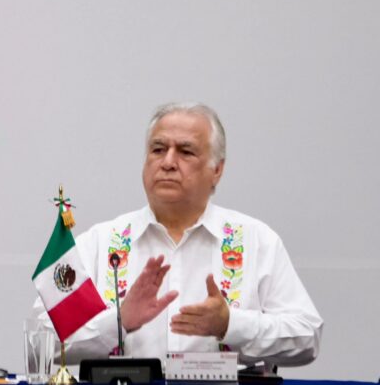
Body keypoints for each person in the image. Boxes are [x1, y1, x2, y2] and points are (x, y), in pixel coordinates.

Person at [34, 103, 321, 368]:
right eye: (158, 149)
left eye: (186, 151)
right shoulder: (100, 242)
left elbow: (308, 337)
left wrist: (230, 324)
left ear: (217, 170)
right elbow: (39, 340)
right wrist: (118, 322)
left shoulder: (256, 241)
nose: (168, 162)